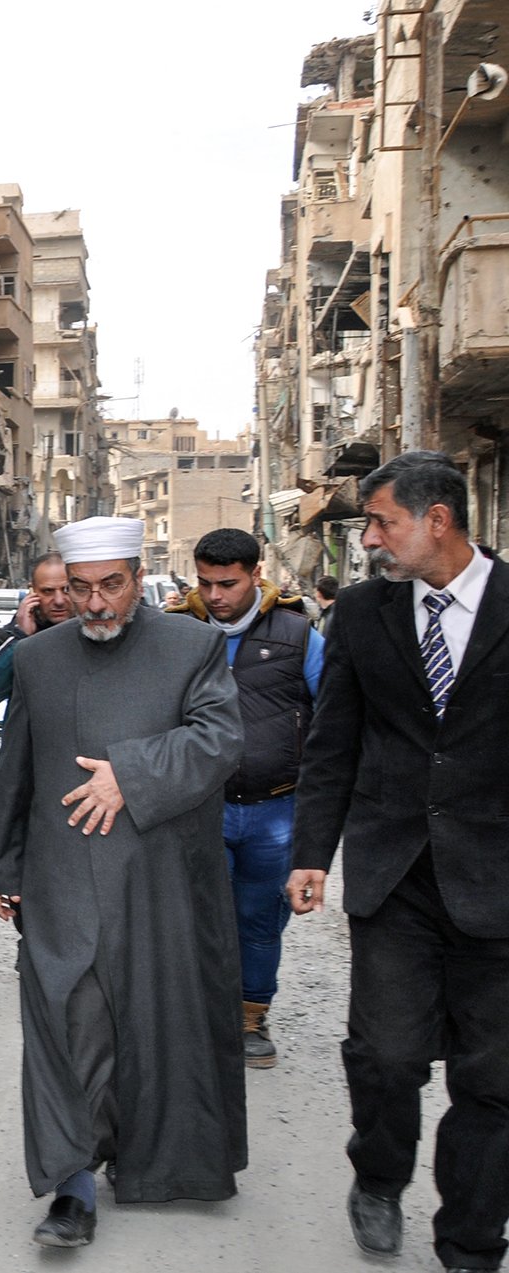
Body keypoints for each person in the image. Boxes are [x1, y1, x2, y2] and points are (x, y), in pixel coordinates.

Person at [0, 514, 244, 1248]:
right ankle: (73, 1183)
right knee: (69, 1020)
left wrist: (133, 771)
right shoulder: (39, 658)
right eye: (81, 588)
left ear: (135, 574)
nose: (94, 604)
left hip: (161, 879)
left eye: (111, 587)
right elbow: (18, 764)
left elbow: (220, 740)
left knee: (158, 1023)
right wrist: (0, 861)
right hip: (62, 874)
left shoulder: (194, 646)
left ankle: (154, 1159)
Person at [288, 450, 509, 1270]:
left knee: (493, 1079)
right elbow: (333, 741)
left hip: (498, 878)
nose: (372, 539)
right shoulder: (362, 614)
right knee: (385, 1055)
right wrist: (313, 850)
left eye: (382, 522)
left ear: (437, 520)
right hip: (395, 874)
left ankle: (472, 1238)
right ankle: (378, 1178)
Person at [167, 528, 324, 1069]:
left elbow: (333, 722)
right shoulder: (176, 632)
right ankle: (198, 1016)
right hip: (197, 807)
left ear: (256, 575)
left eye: (228, 584)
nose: (215, 596)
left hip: (274, 811)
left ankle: (251, 1018)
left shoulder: (299, 635)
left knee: (258, 919)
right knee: (193, 917)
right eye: (205, 583)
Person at [0, 551, 75, 706]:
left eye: (66, 590)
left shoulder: (96, 633)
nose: (59, 600)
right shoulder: (4, 638)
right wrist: (21, 637)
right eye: (48, 591)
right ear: (32, 591)